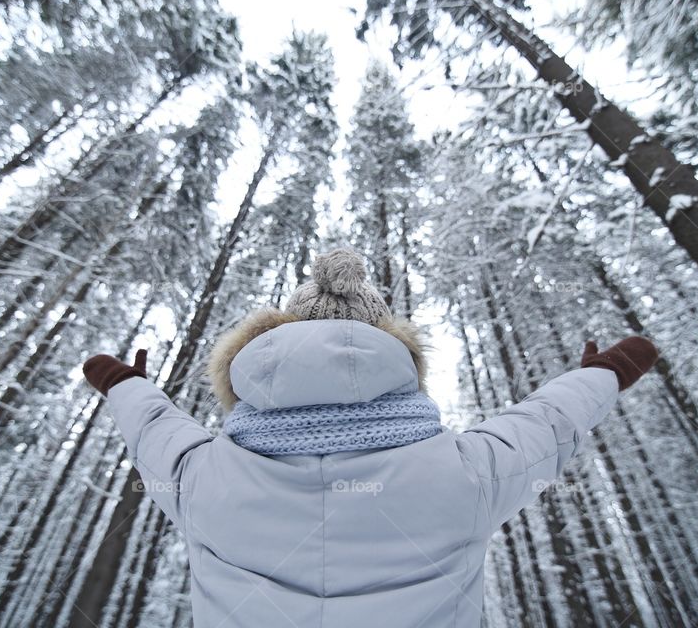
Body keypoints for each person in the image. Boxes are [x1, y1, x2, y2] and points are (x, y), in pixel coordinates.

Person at [82, 247, 658, 627]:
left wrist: (125, 385)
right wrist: (600, 373)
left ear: (250, 363)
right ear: (401, 363)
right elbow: (546, 423)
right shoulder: (465, 472)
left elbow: (153, 426)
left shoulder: (202, 476)